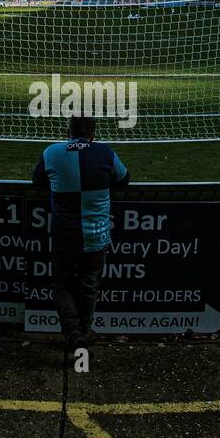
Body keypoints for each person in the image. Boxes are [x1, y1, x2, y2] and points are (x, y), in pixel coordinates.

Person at [32, 116, 130, 348]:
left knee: (62, 285)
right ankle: (84, 332)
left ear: (68, 132)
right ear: (93, 135)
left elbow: (37, 181)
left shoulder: (52, 152)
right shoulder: (106, 153)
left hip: (65, 235)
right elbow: (125, 180)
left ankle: (73, 332)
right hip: (96, 236)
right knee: (88, 285)